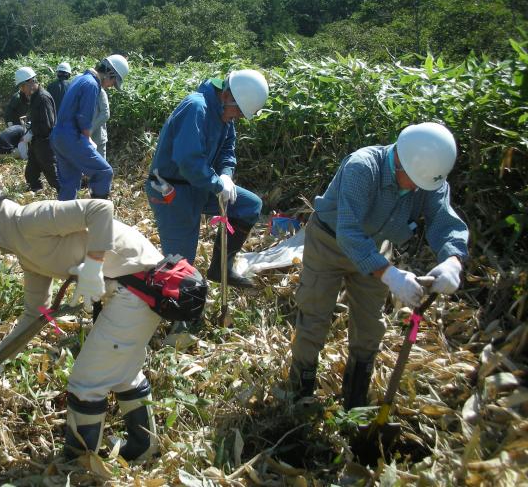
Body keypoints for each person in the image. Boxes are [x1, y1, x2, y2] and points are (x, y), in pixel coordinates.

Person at [0, 177, 170, 462]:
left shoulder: (30, 220)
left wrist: (95, 264)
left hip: (142, 285)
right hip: (127, 291)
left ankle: (79, 466)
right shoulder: (25, 252)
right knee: (121, 372)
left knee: (85, 382)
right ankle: (143, 447)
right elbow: (36, 314)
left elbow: (100, 209)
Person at [287, 122, 469, 410]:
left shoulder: (428, 178)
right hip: (329, 242)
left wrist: (453, 260)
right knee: (314, 315)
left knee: (371, 325)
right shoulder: (363, 167)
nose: (418, 190)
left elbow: (443, 220)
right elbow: (348, 231)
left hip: (375, 246)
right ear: (400, 162)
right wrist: (390, 275)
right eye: (414, 182)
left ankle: (355, 399)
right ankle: (300, 393)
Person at [145, 70, 269, 289]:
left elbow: (228, 150)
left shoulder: (224, 112)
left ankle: (222, 268)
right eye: (237, 113)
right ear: (227, 95)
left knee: (249, 206)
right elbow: (188, 162)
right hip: (173, 190)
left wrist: (226, 175)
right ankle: (176, 316)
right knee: (181, 262)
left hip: (201, 185)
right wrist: (217, 184)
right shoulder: (196, 108)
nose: (235, 118)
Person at [51, 55, 129, 200]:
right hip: (71, 137)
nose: (111, 85)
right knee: (104, 172)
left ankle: (64, 219)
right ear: (109, 73)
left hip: (58, 136)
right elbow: (84, 118)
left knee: (70, 183)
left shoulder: (80, 79)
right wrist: (87, 140)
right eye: (113, 81)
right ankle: (97, 212)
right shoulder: (92, 85)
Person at [13, 67, 60, 194]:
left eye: (22, 87)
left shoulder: (43, 98)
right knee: (31, 173)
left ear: (30, 82)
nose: (22, 91)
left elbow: (47, 125)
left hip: (45, 142)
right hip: (36, 141)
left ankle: (69, 194)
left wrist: (32, 131)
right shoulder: (34, 96)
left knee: (53, 176)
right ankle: (36, 191)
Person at [91, 86, 110, 159]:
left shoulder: (100, 91)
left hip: (98, 138)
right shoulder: (83, 91)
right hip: (83, 138)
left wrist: (90, 129)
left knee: (100, 167)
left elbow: (105, 114)